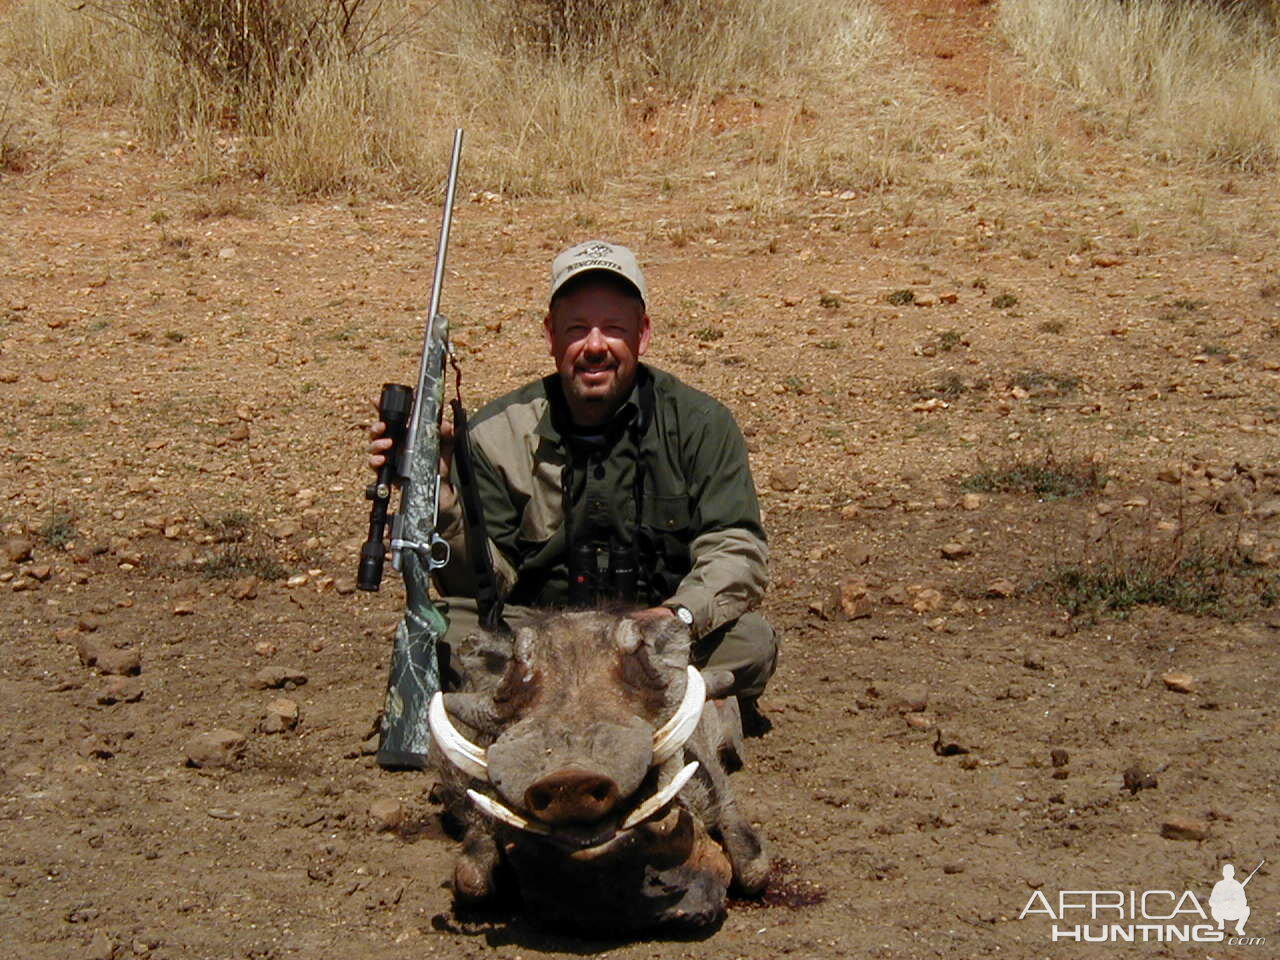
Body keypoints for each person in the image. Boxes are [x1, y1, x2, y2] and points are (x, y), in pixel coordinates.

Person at [369, 240, 777, 724]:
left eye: (614, 329)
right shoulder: (496, 433)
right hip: (535, 642)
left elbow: (737, 549)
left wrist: (677, 616)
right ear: (551, 335)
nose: (595, 346)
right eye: (578, 329)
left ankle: (541, 708)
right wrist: (440, 494)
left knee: (751, 640)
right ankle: (658, 707)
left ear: (643, 335)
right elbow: (475, 584)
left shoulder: (701, 424)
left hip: (651, 638)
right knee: (444, 630)